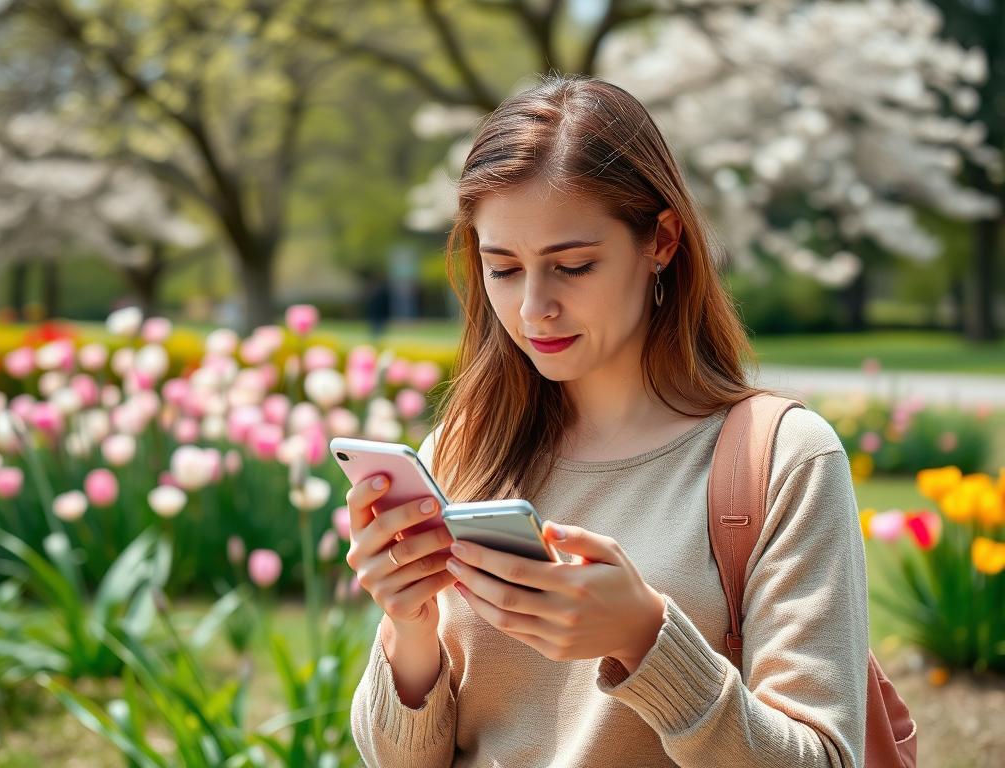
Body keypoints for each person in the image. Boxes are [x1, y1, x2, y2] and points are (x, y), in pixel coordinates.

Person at [344, 75, 868, 767]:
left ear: (663, 240)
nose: (534, 308)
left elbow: (826, 759)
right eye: (502, 269)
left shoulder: (783, 460)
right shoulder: (464, 449)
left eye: (573, 265)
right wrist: (407, 629)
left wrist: (647, 639)